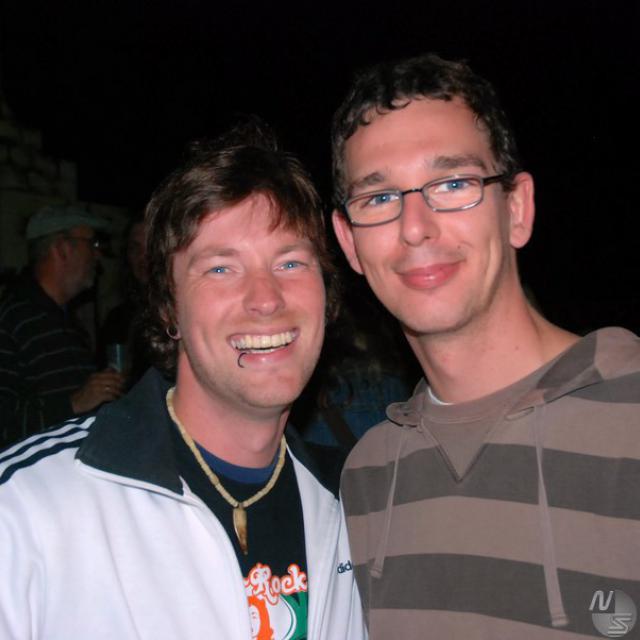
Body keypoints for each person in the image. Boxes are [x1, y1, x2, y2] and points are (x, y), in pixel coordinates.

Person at [0, 121, 366, 640]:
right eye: (220, 269)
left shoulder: (357, 506)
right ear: (169, 307)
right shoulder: (27, 511)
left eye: (290, 262)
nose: (266, 299)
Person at [331, 53, 640, 638]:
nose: (415, 226)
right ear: (350, 244)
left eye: (454, 184)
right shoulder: (366, 480)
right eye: (379, 198)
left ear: (516, 209)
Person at [0, 205, 125, 447]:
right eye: (92, 244)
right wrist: (73, 403)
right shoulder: (13, 319)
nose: (97, 255)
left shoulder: (68, 324)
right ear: (62, 248)